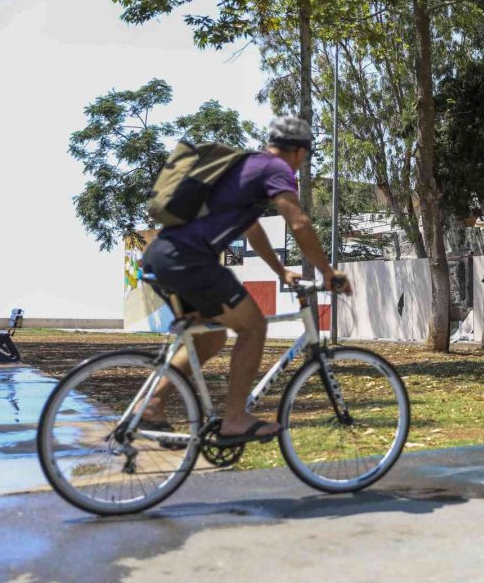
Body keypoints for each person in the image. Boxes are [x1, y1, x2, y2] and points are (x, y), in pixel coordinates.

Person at [140, 116, 351, 446]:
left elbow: (252, 229)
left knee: (211, 338)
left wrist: (281, 271)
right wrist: (328, 272)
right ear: (299, 152)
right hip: (189, 260)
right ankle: (235, 419)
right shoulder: (276, 168)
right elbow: (299, 222)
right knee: (253, 327)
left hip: (163, 256)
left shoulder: (248, 166)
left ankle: (153, 402)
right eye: (304, 157)